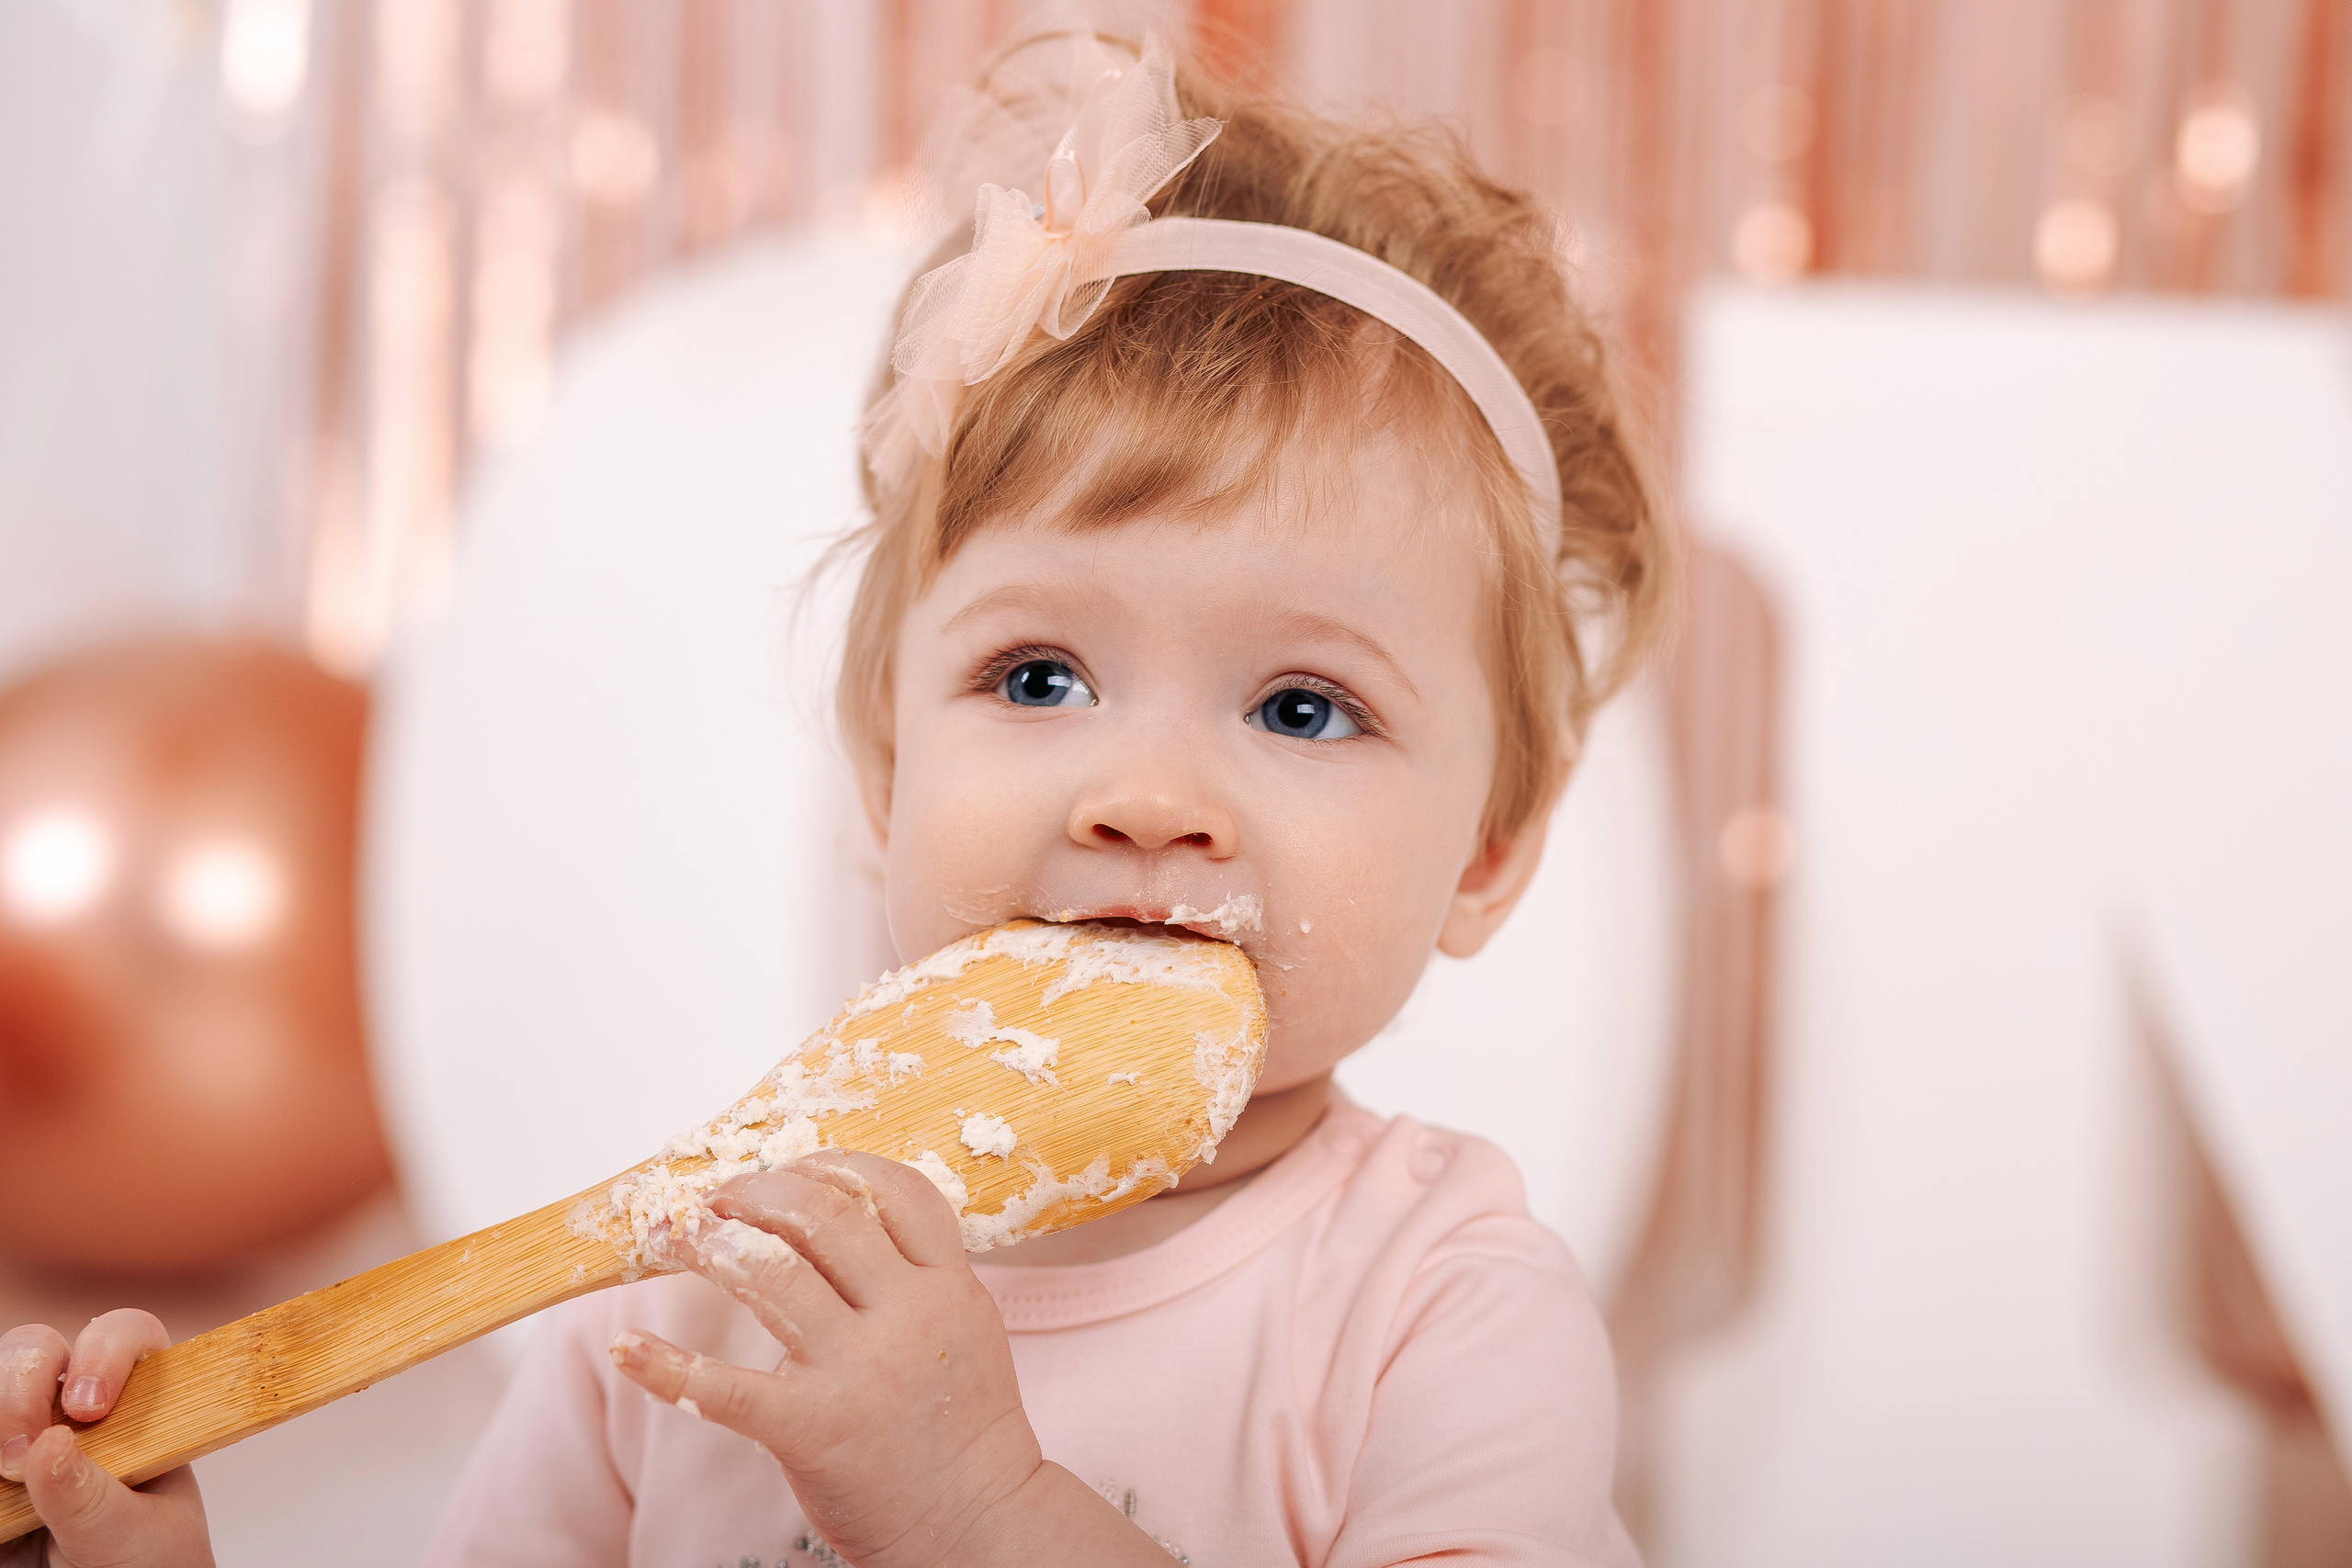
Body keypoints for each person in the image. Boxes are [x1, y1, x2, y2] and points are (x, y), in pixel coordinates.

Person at [0, 17, 1669, 1566]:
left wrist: (982, 1507)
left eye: (1304, 708)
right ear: (882, 775)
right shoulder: (687, 1272)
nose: (1149, 796)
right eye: (1039, 678)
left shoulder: (1441, 1313)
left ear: (1488, 855)